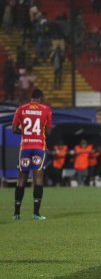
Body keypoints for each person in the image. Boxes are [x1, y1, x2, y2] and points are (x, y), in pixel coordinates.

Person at [11, 89, 52, 220]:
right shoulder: (46, 110)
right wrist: (39, 133)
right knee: (38, 178)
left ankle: (16, 213)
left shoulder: (21, 109)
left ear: (31, 97)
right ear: (40, 98)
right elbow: (49, 131)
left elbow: (14, 129)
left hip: (25, 147)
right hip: (39, 147)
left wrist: (26, 133)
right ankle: (36, 213)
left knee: (21, 178)